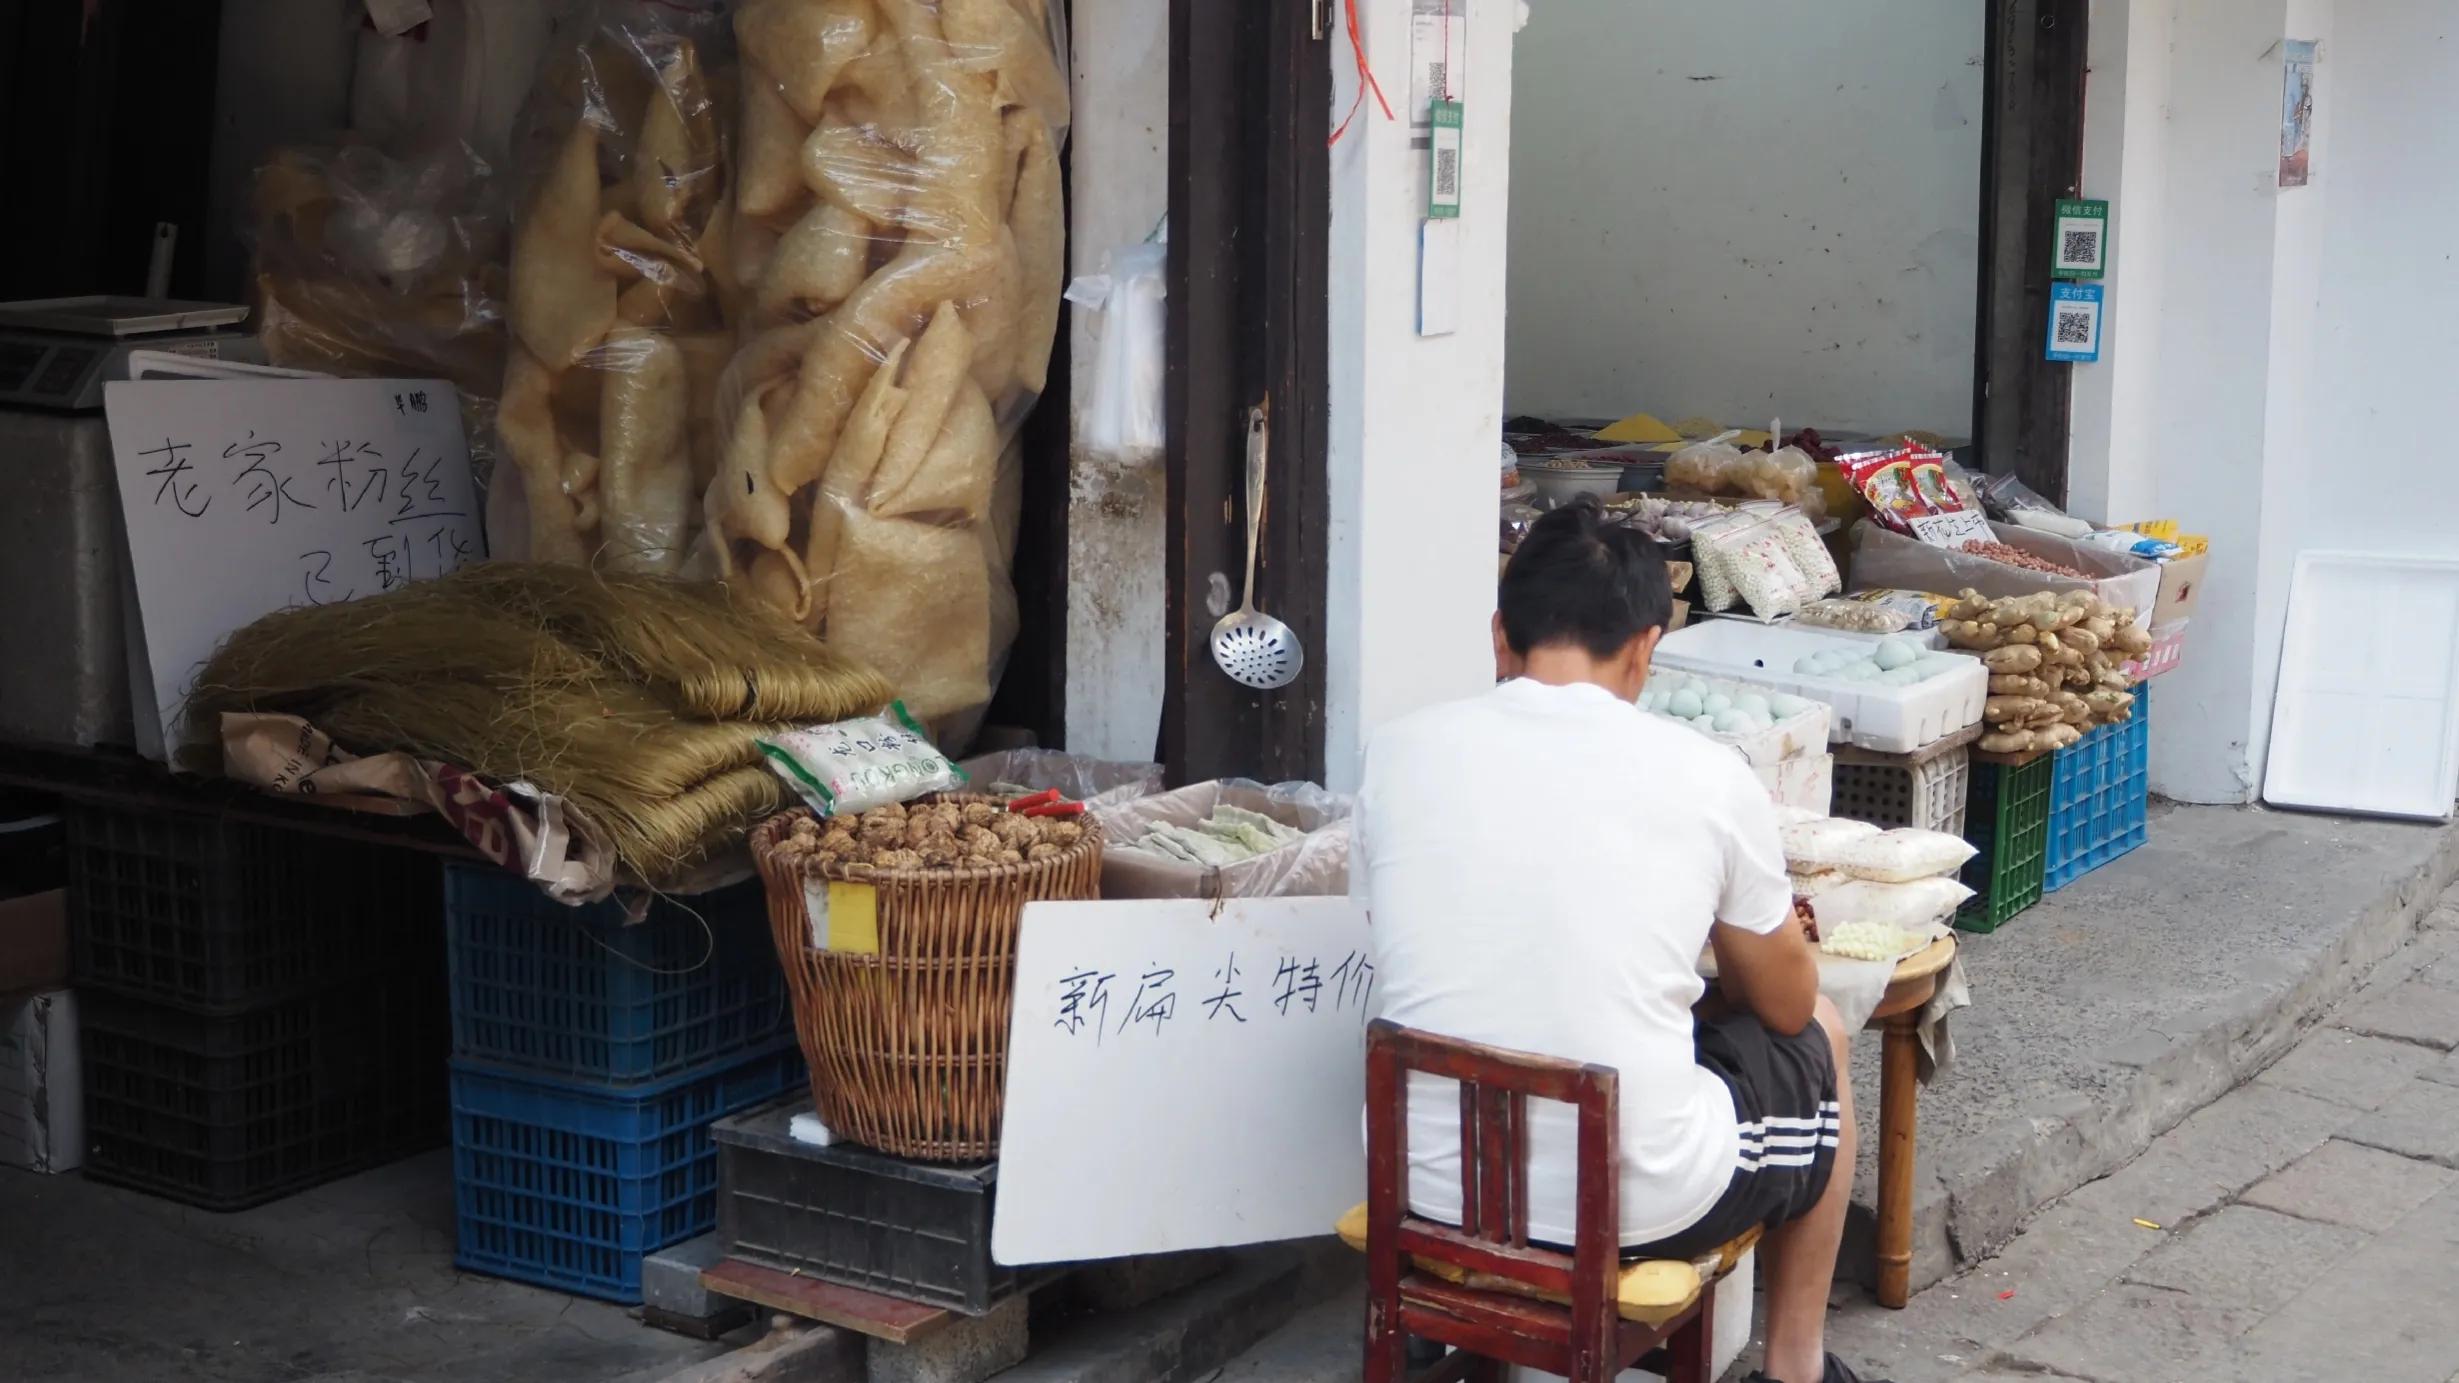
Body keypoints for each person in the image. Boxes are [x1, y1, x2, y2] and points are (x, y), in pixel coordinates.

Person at [1353, 498, 1880, 1383]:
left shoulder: (1396, 751)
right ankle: (1796, 1368)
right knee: (1819, 1029)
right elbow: (1782, 1004)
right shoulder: (1706, 774)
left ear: (1499, 637)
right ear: (1644, 647)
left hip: (1421, 1186)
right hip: (1637, 1202)